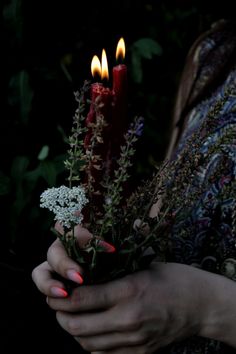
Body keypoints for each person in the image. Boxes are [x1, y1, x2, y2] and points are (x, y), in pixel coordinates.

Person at [32, 18, 236, 354]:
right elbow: (161, 223)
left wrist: (207, 307)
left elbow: (193, 299)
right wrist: (100, 248)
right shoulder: (215, 53)